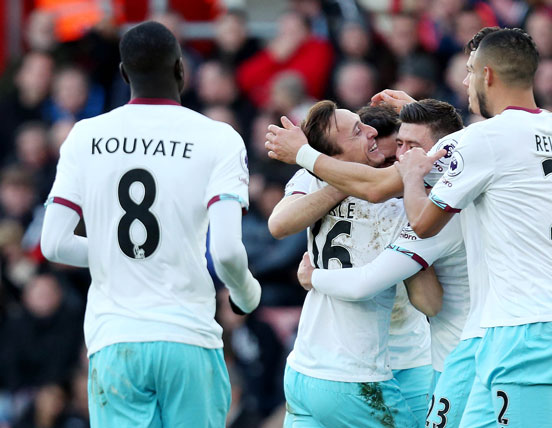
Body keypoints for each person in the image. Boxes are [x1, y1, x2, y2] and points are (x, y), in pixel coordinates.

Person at [39, 21, 261, 427]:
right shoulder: (218, 137)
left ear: (124, 74)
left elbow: (53, 243)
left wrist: (118, 254)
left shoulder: (85, 135)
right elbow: (227, 250)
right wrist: (247, 294)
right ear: (181, 70)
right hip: (188, 337)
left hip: (115, 340)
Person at [392, 27, 552, 427]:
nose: (465, 81)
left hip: (528, 329)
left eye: (470, 70)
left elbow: (423, 224)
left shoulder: (484, 140)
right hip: (520, 322)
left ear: (487, 75)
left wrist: (411, 174)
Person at [273, 103, 438, 426]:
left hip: (312, 366)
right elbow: (429, 301)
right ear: (332, 160)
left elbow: (279, 225)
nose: (371, 134)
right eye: (358, 132)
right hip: (359, 370)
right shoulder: (396, 206)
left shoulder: (313, 178)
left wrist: (314, 277)